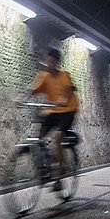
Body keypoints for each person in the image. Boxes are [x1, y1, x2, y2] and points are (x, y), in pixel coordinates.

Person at [29, 48, 79, 191]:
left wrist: (63, 99)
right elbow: (33, 90)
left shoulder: (64, 75)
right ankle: (47, 166)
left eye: (52, 62)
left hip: (68, 110)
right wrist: (22, 99)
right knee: (39, 138)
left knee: (58, 138)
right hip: (54, 111)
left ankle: (59, 177)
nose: (49, 64)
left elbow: (69, 90)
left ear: (57, 63)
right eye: (48, 61)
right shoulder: (44, 76)